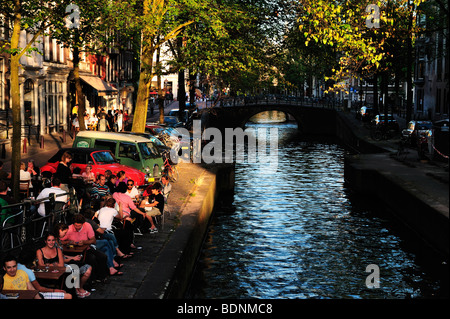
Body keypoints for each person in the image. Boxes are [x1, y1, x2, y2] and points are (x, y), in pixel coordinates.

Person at [59, 214, 109, 283]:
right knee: (92, 258)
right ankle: (92, 278)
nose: (77, 227)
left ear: (83, 224)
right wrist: (69, 242)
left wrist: (84, 242)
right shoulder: (69, 228)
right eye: (76, 225)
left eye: (79, 226)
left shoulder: (87, 226)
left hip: (87, 248)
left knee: (103, 256)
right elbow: (61, 241)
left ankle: (101, 277)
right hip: (74, 251)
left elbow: (93, 241)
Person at [53, 222, 92, 298]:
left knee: (84, 265)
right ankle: (77, 289)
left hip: (64, 261)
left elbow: (62, 255)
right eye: (64, 232)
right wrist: (71, 259)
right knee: (76, 267)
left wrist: (72, 258)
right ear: (60, 230)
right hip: (61, 264)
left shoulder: (58, 240)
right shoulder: (54, 242)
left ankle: (78, 288)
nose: (65, 234)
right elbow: (58, 259)